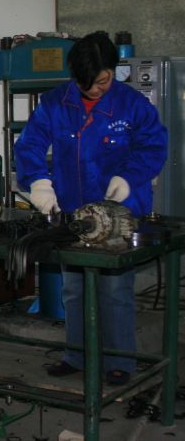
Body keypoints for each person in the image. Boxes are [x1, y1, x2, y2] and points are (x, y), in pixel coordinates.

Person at [14, 31, 168, 386]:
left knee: (114, 290)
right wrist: (39, 182)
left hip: (119, 213)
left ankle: (120, 361)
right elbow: (30, 144)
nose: (96, 90)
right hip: (74, 213)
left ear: (113, 69)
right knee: (74, 288)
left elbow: (154, 147)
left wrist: (129, 178)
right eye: (88, 84)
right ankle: (76, 355)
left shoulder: (132, 105)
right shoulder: (54, 103)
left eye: (103, 81)